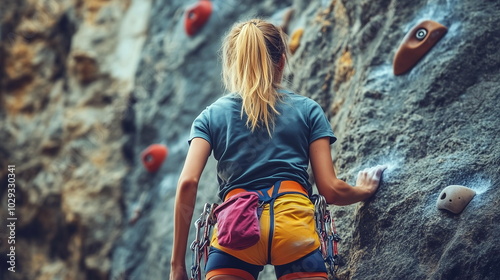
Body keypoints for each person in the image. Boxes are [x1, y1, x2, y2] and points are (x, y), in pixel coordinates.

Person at [170, 19, 386, 280]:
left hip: (236, 231)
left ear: (233, 64)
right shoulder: (308, 110)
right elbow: (330, 189)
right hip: (293, 228)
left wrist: (177, 266)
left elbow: (187, 184)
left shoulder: (210, 116)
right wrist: (363, 190)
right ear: (281, 60)